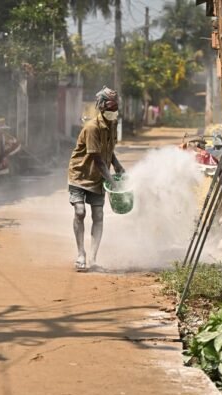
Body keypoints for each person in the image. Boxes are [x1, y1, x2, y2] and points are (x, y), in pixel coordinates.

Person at [67, 86, 125, 271]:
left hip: (99, 178)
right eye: (110, 108)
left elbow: (108, 150)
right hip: (80, 174)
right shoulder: (92, 127)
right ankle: (80, 254)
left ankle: (93, 259)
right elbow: (97, 159)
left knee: (98, 215)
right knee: (80, 212)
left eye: (115, 108)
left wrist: (116, 163)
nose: (113, 112)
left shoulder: (113, 124)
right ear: (101, 107)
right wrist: (113, 181)